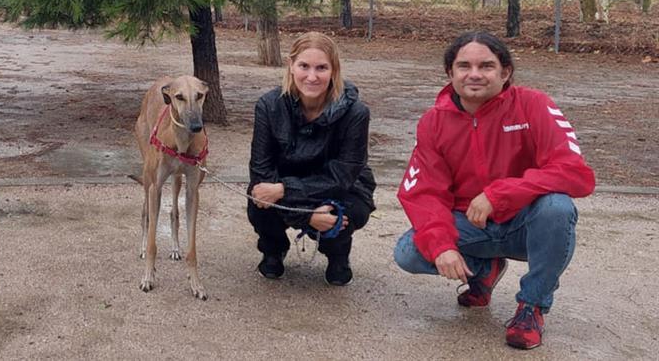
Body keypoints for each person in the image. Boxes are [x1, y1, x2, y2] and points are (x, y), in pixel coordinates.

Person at [394, 31, 596, 350]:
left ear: (505, 73)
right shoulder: (433, 122)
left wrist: (499, 194)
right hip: (473, 227)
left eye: (486, 66)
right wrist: (442, 245)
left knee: (557, 208)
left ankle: (532, 306)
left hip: (525, 226)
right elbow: (423, 193)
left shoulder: (534, 105)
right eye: (464, 66)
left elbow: (576, 174)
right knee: (409, 252)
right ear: (450, 73)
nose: (474, 74)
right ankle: (484, 271)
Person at [247, 32, 376, 286]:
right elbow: (260, 168)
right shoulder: (268, 105)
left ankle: (338, 254)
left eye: (322, 68)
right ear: (291, 65)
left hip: (340, 188)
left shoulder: (357, 113)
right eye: (304, 66)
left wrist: (286, 191)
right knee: (258, 197)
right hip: (283, 183)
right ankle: (273, 249)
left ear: (334, 70)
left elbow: (344, 175)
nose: (312, 76)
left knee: (345, 211)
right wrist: (306, 215)